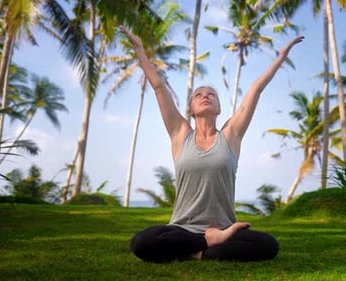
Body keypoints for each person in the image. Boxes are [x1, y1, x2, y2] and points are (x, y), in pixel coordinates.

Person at [121, 26, 304, 263]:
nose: (205, 96)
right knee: (141, 242)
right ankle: (206, 246)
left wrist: (280, 57)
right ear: (191, 109)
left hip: (224, 228)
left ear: (218, 108)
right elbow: (158, 87)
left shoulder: (231, 135)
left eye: (211, 94)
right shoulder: (180, 134)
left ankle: (199, 250)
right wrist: (139, 50)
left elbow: (255, 90)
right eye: (198, 95)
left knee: (268, 245)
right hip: (182, 229)